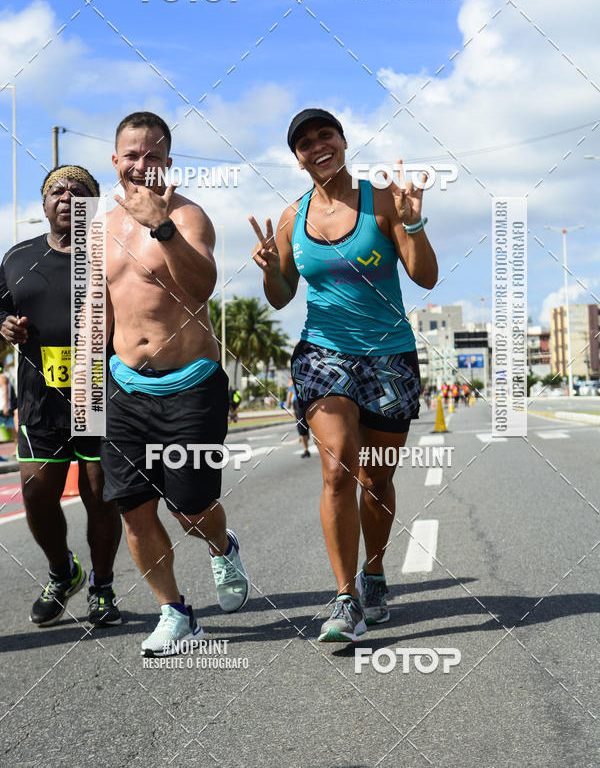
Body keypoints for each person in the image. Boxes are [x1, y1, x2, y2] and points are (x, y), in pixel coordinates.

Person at [250, 108, 438, 642]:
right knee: (337, 469)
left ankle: (373, 573)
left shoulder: (383, 201)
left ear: (343, 141)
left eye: (325, 135)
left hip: (388, 356)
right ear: (298, 158)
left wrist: (413, 222)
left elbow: (425, 277)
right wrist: (270, 269)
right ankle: (344, 598)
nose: (318, 146)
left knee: (376, 478)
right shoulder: (292, 217)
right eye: (305, 143)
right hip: (323, 353)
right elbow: (282, 295)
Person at [102, 111, 249, 656]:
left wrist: (160, 226)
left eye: (153, 156)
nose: (142, 165)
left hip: (189, 385)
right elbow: (95, 313)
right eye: (132, 155)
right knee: (134, 509)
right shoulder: (99, 227)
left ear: (169, 162)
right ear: (115, 161)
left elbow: (201, 286)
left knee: (189, 510)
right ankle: (175, 612)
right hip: (124, 388)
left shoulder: (188, 216)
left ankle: (222, 546)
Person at [0, 166, 122, 627]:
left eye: (79, 192)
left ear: (94, 205)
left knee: (100, 496)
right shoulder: (17, 257)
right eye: (57, 190)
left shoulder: (112, 253)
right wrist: (4, 325)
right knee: (36, 494)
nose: (67, 197)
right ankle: (62, 572)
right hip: (40, 398)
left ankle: (103, 587)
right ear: (44, 203)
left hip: (100, 394)